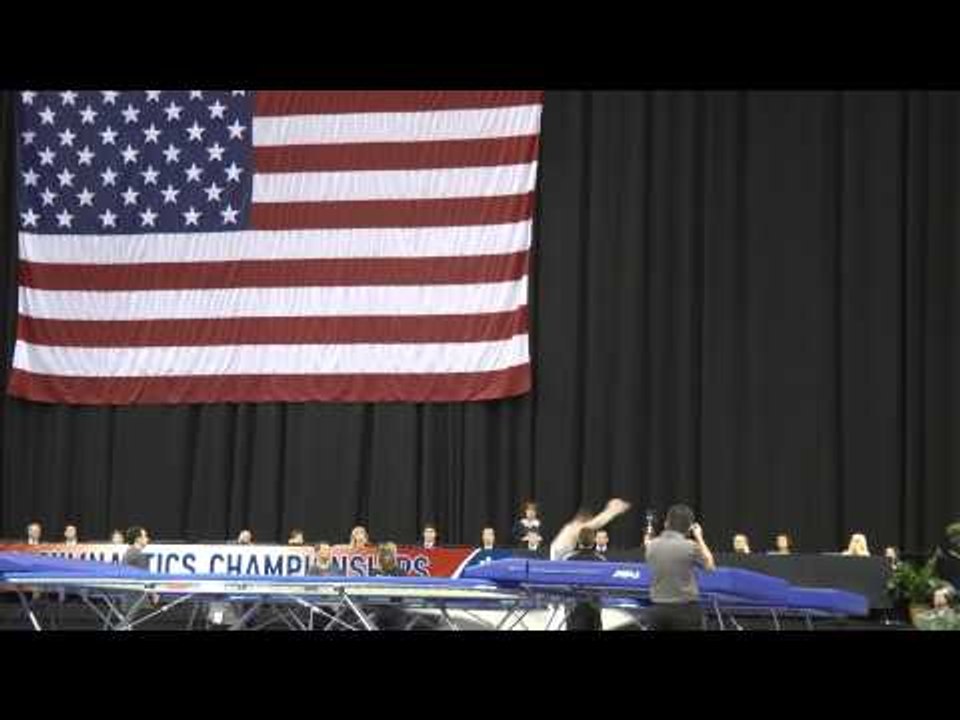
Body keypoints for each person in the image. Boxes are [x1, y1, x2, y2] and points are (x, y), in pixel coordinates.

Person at [644, 504, 715, 631]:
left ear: (666, 523)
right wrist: (699, 537)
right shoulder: (690, 546)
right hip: (685, 611)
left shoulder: (651, 545)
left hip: (658, 609)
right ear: (689, 527)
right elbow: (710, 566)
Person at [549, 499, 631, 561]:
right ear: (583, 520)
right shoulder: (573, 528)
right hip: (558, 568)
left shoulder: (569, 529)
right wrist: (613, 511)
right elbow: (597, 523)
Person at [564, 526, 607, 630]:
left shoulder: (569, 559)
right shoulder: (601, 560)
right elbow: (603, 585)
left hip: (574, 608)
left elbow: (565, 585)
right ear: (593, 541)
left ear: (578, 541)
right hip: (593, 608)